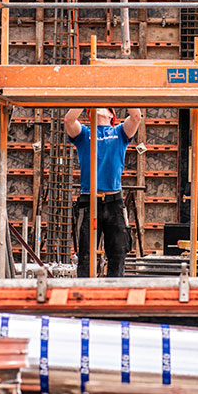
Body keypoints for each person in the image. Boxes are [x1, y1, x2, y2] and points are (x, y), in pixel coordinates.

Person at [64, 107, 141, 278]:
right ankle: (84, 295)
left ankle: (115, 295)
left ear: (111, 115)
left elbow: (136, 117)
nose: (98, 107)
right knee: (85, 254)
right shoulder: (84, 134)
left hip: (114, 201)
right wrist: (86, 95)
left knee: (118, 253)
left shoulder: (119, 132)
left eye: (103, 106)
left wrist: (124, 90)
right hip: (89, 200)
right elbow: (69, 120)